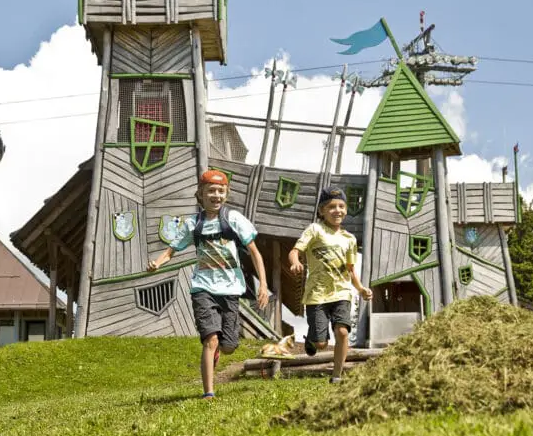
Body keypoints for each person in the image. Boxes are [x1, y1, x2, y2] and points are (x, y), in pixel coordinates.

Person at [148, 169, 268, 399]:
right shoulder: (194, 224)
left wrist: (262, 284)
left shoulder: (233, 219)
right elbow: (172, 250)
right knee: (210, 339)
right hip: (203, 288)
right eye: (211, 191)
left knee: (228, 346)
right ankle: (208, 393)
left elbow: (254, 252)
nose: (216, 195)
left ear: (226, 194)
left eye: (221, 191)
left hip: (231, 289)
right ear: (200, 194)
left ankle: (218, 353)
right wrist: (158, 263)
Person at [288, 187, 373, 384]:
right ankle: (312, 338)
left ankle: (337, 376)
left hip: (342, 292)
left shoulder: (349, 239)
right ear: (321, 211)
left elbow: (350, 269)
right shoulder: (315, 230)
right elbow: (295, 251)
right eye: (332, 207)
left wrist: (360, 289)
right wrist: (295, 261)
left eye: (341, 206)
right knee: (321, 343)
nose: (338, 210)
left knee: (342, 331)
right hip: (316, 294)